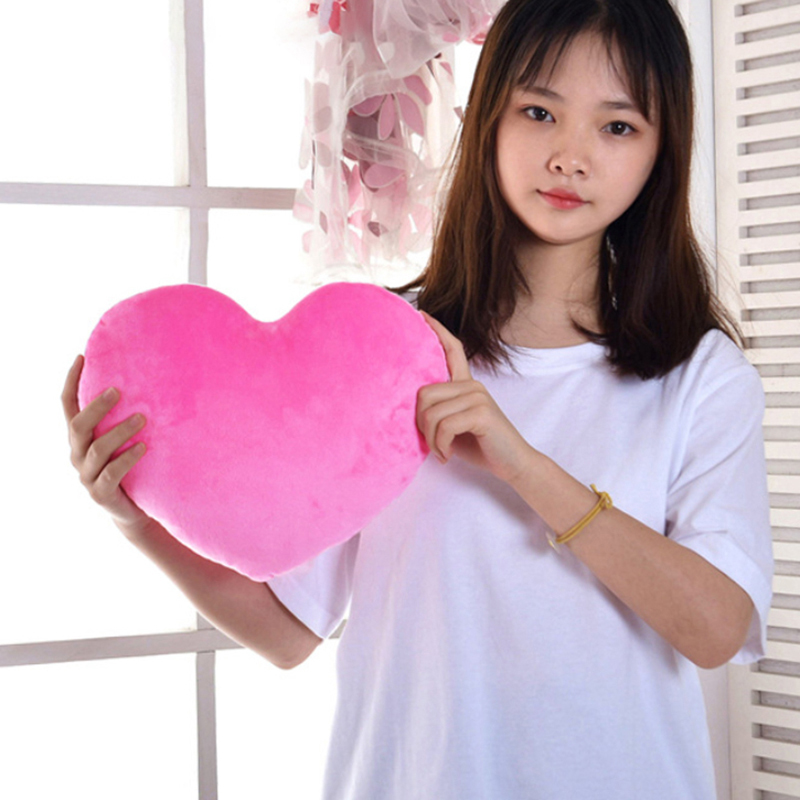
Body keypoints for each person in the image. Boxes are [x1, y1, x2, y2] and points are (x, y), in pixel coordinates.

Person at [62, 0, 773, 797]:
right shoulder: (386, 352)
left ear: (660, 151)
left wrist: (523, 465)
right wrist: (134, 518)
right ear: (487, 118)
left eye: (617, 126)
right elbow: (288, 632)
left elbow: (716, 629)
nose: (570, 157)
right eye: (539, 112)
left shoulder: (700, 375)